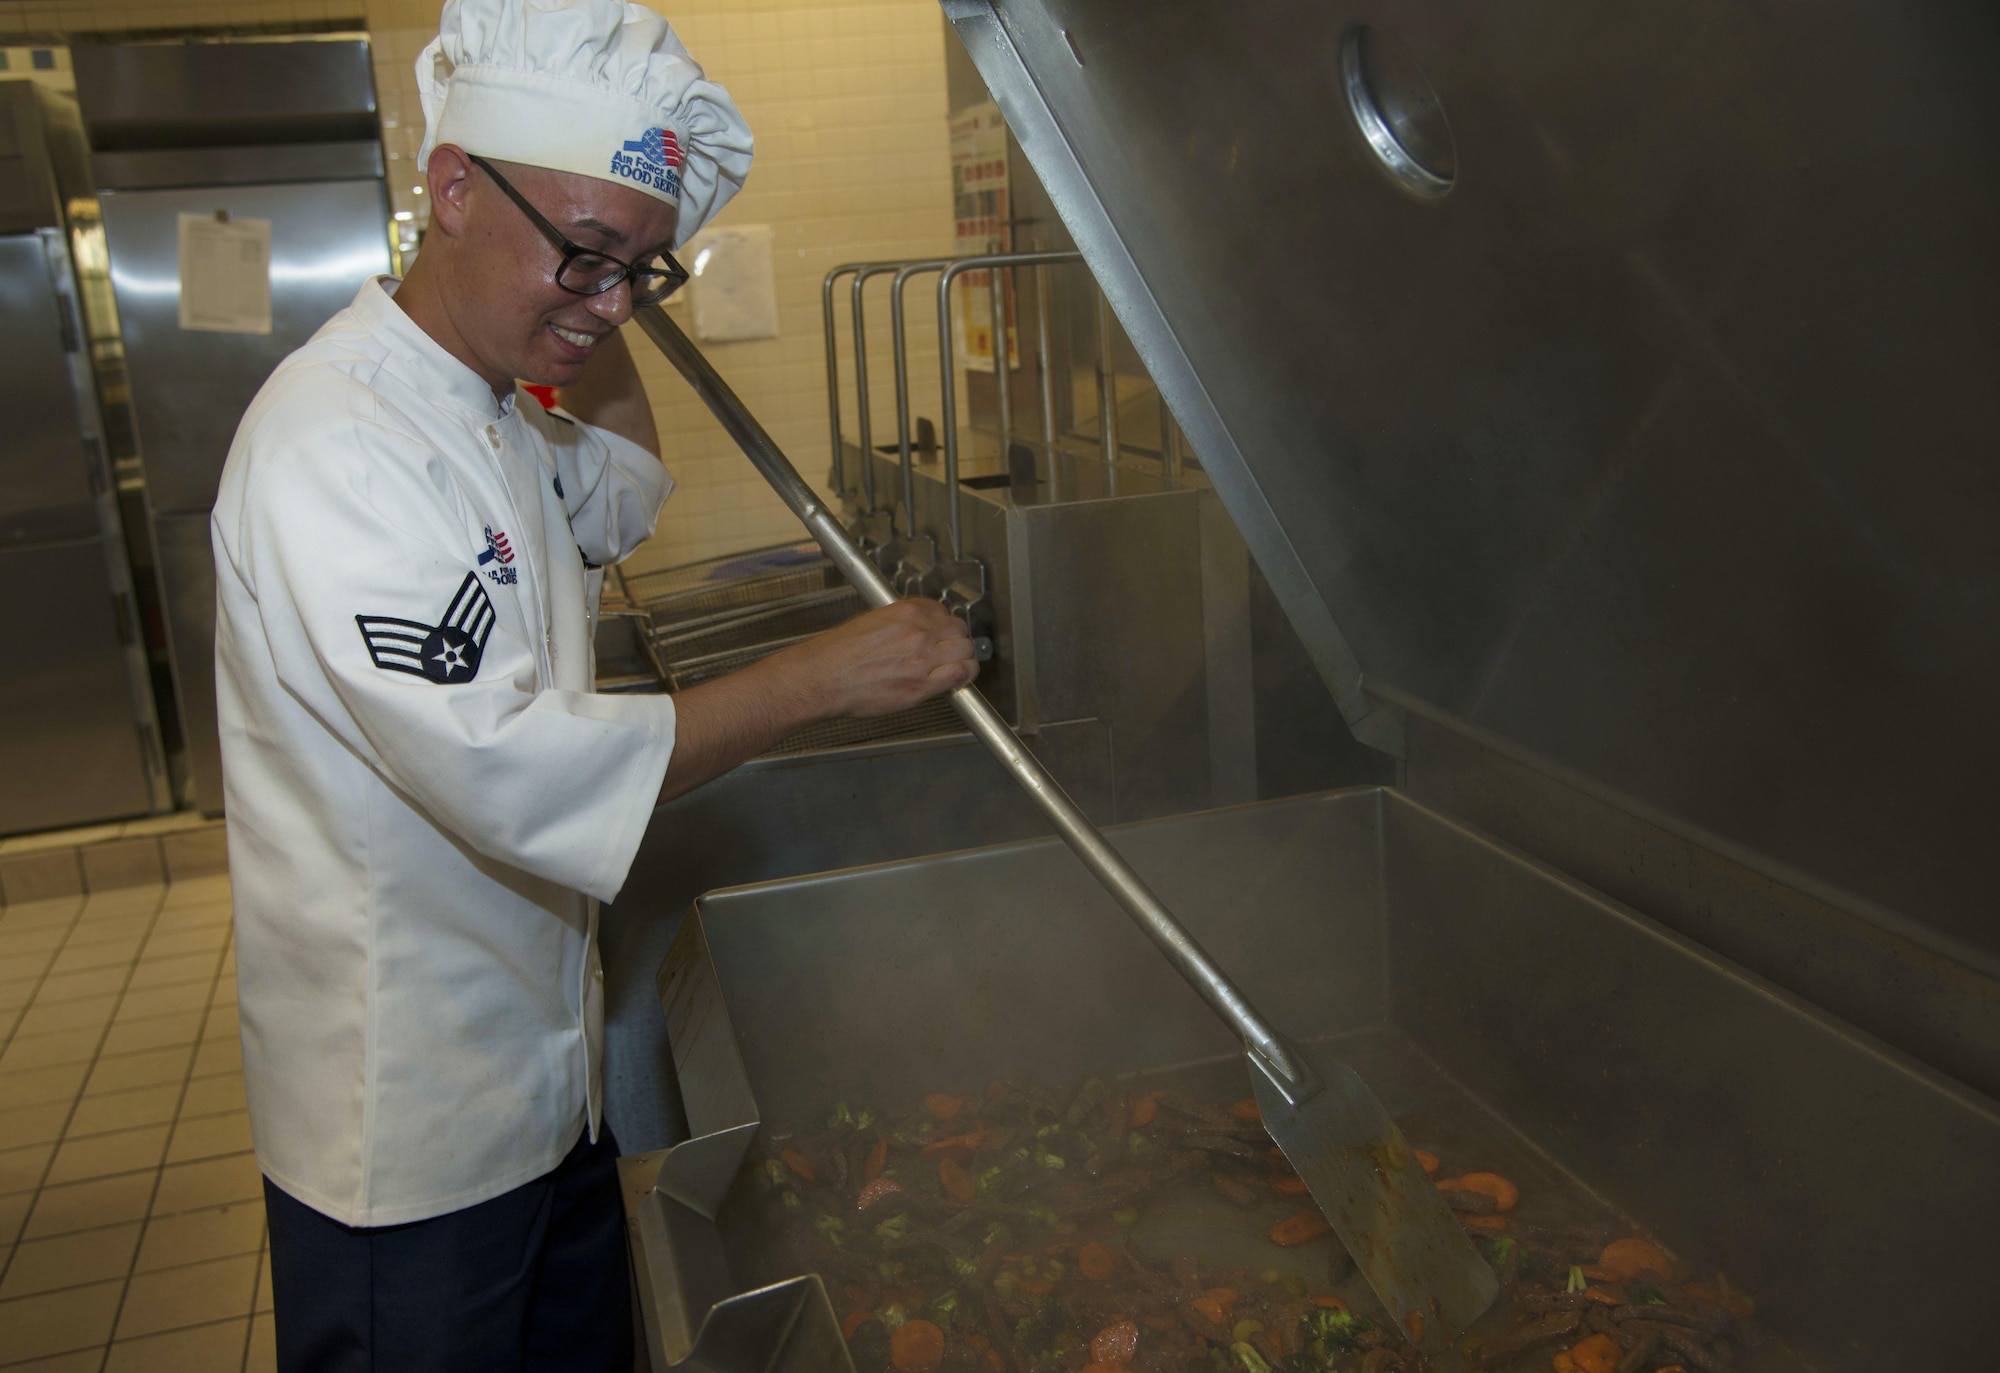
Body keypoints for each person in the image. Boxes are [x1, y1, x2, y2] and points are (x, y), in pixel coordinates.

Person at [208, 1, 976, 1367]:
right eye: (582, 252)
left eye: (642, 273)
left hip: (544, 1097)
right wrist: (818, 678)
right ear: (451, 186)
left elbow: (622, 485)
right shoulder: (337, 445)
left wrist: (581, 300)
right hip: (413, 1144)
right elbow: (512, 765)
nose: (615, 303)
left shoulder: (487, 402)